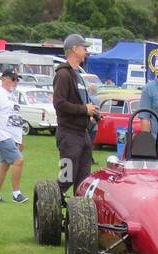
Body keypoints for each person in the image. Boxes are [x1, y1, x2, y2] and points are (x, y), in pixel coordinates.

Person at [53, 34, 98, 194]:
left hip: (83, 134)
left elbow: (81, 103)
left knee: (83, 181)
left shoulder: (78, 74)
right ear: (74, 49)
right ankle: (49, 210)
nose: (87, 51)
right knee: (66, 178)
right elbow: (59, 104)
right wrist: (84, 110)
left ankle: (78, 216)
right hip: (68, 134)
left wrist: (93, 113)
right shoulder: (63, 74)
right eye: (84, 48)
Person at [0, 70, 28, 203]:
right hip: (2, 135)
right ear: (4, 78)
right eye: (13, 79)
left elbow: (17, 116)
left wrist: (20, 138)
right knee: (18, 161)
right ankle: (16, 193)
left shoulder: (12, 95)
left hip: (12, 135)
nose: (15, 82)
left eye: (17, 79)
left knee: (3, 165)